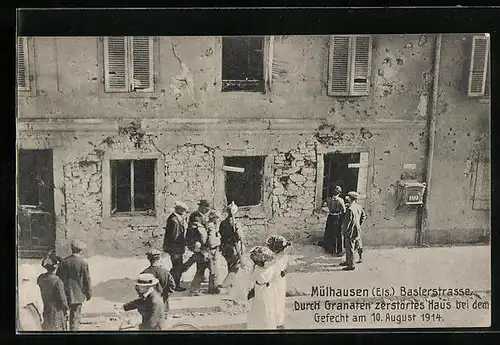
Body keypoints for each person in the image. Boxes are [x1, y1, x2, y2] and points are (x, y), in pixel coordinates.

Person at [56, 240, 92, 331]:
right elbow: (86, 280)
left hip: (65, 293)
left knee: (63, 315)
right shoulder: (83, 263)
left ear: (71, 249)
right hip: (78, 294)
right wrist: (89, 294)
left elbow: (58, 278)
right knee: (75, 318)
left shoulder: (64, 262)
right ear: (81, 251)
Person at [246, 246, 277, 330]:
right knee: (266, 308)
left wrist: (251, 289)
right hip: (266, 289)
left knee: (262, 308)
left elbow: (254, 278)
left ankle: (262, 326)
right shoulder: (270, 267)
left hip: (261, 289)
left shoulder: (258, 270)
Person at [37, 256, 69, 331]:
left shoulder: (40, 278)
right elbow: (62, 298)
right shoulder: (57, 281)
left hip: (44, 308)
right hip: (56, 311)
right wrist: (66, 309)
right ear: (56, 267)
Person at [162, 201, 189, 292]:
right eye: (183, 211)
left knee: (177, 267)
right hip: (175, 248)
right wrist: (178, 249)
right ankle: (174, 285)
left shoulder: (175, 218)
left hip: (176, 248)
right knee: (177, 267)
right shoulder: (174, 221)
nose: (184, 212)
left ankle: (171, 283)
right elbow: (175, 236)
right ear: (179, 210)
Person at [266, 235, 291, 329]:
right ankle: (279, 322)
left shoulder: (272, 259)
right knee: (279, 301)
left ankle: (274, 322)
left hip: (273, 282)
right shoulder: (285, 256)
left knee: (273, 301)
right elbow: (286, 268)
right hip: (280, 281)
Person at [141, 249, 176, 315]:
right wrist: (164, 297)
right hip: (163, 304)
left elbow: (140, 290)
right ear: (159, 258)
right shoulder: (165, 272)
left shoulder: (144, 273)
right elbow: (172, 286)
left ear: (148, 258)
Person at [219, 202, 245, 289]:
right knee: (235, 266)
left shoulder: (223, 223)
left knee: (230, 264)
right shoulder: (236, 223)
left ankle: (231, 282)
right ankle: (226, 283)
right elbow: (239, 236)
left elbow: (221, 234)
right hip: (234, 246)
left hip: (225, 246)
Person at [181, 215, 209, 296]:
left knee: (194, 266)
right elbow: (204, 240)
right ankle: (194, 290)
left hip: (196, 251)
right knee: (201, 270)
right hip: (201, 251)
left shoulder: (191, 229)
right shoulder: (200, 229)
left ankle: (178, 273)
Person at [340, 192, 367, 271]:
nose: (347, 198)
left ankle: (351, 265)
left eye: (348, 197)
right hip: (357, 229)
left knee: (350, 248)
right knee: (352, 247)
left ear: (350, 198)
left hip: (350, 231)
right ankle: (348, 261)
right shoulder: (359, 206)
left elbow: (347, 223)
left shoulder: (350, 209)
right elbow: (363, 216)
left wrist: (344, 231)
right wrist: (358, 224)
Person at [18, 264, 44, 331]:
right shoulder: (35, 287)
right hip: (31, 311)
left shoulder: (18, 287)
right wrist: (41, 314)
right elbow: (39, 303)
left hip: (19, 312)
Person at [323, 186, 346, 256]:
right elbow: (344, 210)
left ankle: (330, 249)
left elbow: (323, 204)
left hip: (330, 216)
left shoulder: (328, 199)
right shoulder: (340, 200)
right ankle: (338, 250)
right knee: (338, 233)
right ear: (339, 193)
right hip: (337, 217)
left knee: (330, 232)